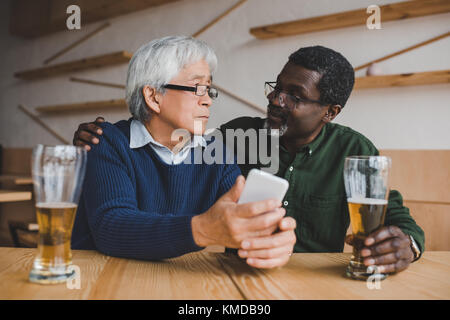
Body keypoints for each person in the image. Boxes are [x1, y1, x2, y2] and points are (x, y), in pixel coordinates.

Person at [74, 44, 424, 274]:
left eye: (294, 96)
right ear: (153, 95)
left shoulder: (353, 150)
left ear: (329, 112)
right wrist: (101, 139)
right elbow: (121, 210)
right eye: (277, 87)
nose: (276, 99)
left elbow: (393, 215)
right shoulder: (231, 140)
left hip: (299, 281)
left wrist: (407, 244)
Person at [71, 36, 297, 268]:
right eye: (197, 88)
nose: (208, 100)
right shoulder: (106, 140)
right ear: (153, 96)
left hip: (179, 282)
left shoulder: (216, 152)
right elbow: (111, 227)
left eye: (209, 90)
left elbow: (241, 218)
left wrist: (271, 238)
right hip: (102, 279)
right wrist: (202, 229)